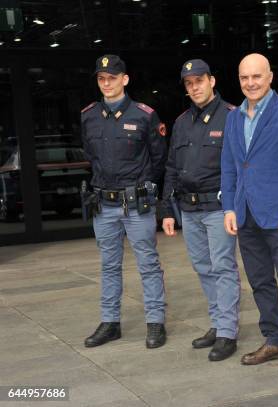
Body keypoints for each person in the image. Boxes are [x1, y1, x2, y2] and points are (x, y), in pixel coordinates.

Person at [221, 53, 278, 372]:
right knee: (260, 281)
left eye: (256, 77)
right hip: (246, 214)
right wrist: (230, 208)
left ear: (270, 77)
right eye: (244, 78)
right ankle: (275, 339)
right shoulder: (233, 118)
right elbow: (230, 167)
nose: (251, 83)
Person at [81, 54, 168, 349]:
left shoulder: (144, 115)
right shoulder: (89, 115)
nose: (106, 83)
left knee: (148, 264)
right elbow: (91, 156)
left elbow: (158, 159)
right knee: (108, 265)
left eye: (112, 78)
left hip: (136, 205)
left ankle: (155, 322)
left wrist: (143, 187)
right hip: (103, 203)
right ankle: (110, 323)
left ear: (125, 79)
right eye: (101, 79)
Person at [161, 59, 240, 361]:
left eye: (199, 81)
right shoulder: (181, 123)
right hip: (188, 209)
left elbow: (240, 166)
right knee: (203, 268)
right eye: (189, 83)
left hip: (218, 207)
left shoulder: (232, 117)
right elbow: (171, 168)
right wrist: (167, 210)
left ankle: (227, 333)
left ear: (212, 81)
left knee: (222, 267)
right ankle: (218, 323)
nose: (194, 87)